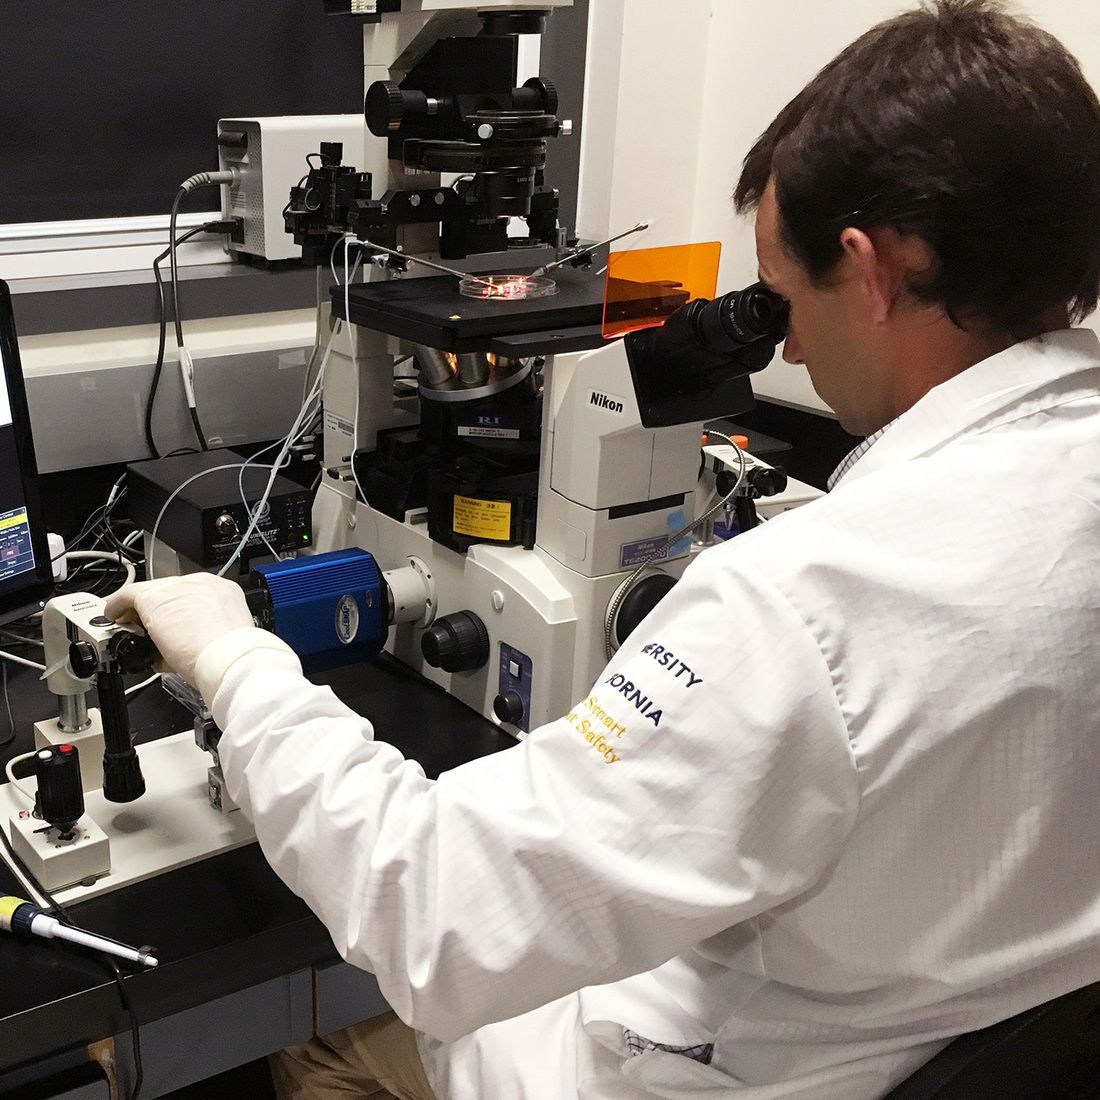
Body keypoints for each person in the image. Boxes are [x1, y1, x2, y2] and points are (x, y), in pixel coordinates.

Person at [106, 1, 1100, 1096]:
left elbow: (430, 909)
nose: (788, 340)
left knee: (318, 1037)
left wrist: (236, 663)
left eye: (781, 295)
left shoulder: (802, 608)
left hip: (712, 1065)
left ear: (870, 269)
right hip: (924, 1020)